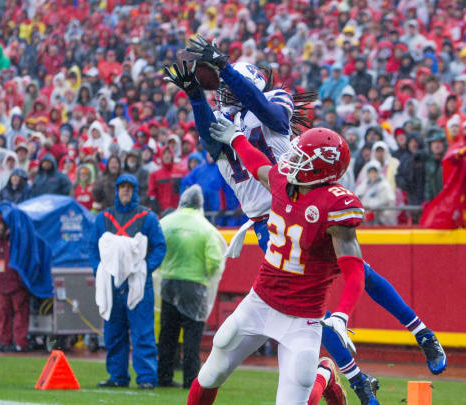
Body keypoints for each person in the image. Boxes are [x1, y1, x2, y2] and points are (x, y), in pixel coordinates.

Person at [169, 39, 444, 404]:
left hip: (306, 198)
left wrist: (227, 70)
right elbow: (217, 142)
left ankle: (417, 336)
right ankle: (352, 375)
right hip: (271, 217)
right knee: (307, 303)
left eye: (226, 84)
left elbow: (274, 117)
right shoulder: (224, 123)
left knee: (357, 276)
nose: (222, 92)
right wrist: (195, 98)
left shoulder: (273, 100)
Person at [191, 122, 366, 405]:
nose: (291, 160)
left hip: (303, 318)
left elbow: (355, 270)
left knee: (296, 396)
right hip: (260, 302)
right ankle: (321, 374)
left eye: (301, 158)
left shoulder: (335, 207)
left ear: (320, 169)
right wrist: (236, 139)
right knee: (212, 369)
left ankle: (324, 374)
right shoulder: (284, 182)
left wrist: (342, 315)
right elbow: (258, 165)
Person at [89, 174, 166, 389]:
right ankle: (117, 376)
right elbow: (93, 247)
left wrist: (145, 268)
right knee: (113, 334)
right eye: (122, 187)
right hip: (112, 285)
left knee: (143, 333)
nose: (125, 191)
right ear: (116, 190)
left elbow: (160, 246)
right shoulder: (103, 217)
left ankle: (147, 378)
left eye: (129, 188)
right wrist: (99, 270)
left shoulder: (146, 217)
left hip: (138, 284)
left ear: (134, 190)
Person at [157, 185, 224, 389]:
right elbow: (214, 261)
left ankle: (164, 377)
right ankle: (190, 379)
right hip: (195, 285)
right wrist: (204, 275)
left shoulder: (166, 222)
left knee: (168, 333)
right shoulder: (206, 228)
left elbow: (156, 248)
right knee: (192, 336)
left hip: (168, 282)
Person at [0, 214, 30, 352]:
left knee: (20, 313)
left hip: (16, 283)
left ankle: (19, 343)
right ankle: (5, 342)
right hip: (1, 283)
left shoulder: (14, 238)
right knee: (4, 314)